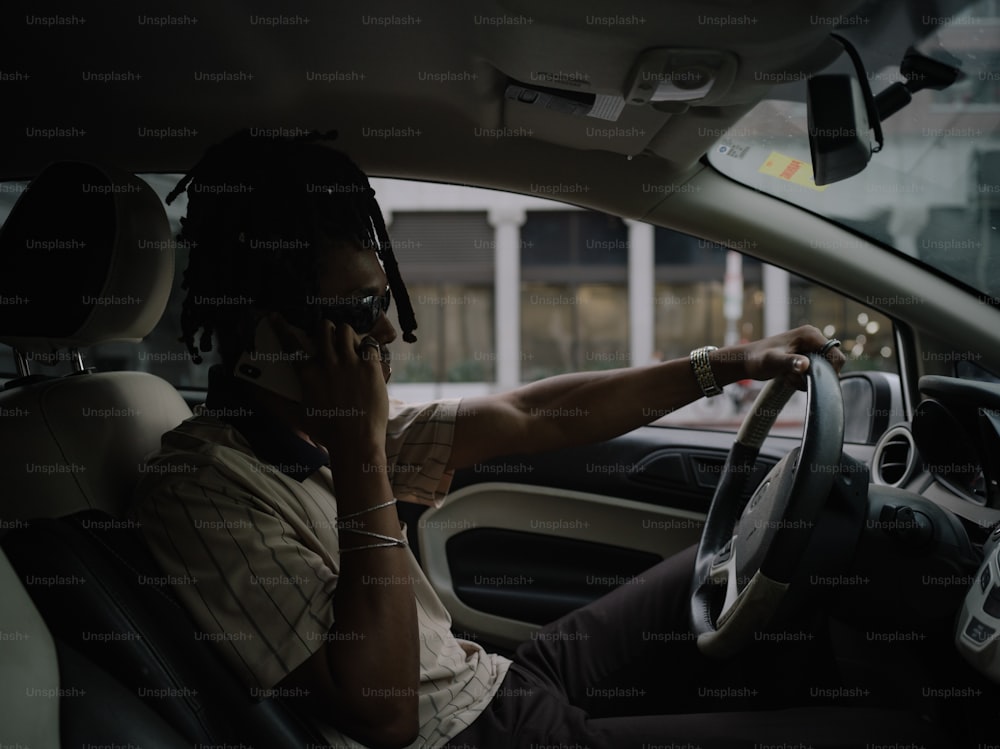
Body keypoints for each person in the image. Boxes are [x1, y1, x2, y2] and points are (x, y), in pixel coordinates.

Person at [130, 130, 943, 749]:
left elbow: (532, 416)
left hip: (491, 679)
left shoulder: (308, 438)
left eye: (382, 298)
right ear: (264, 337)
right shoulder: (203, 489)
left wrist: (728, 364)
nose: (383, 327)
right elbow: (383, 712)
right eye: (351, 312)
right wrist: (360, 450)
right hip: (467, 733)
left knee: (732, 559)